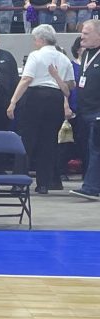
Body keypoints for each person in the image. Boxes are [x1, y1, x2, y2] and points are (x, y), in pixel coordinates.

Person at [7, 24, 74, 194]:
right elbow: (70, 85)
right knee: (48, 141)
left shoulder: (36, 55)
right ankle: (44, 183)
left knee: (26, 140)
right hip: (55, 98)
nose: (34, 42)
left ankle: (18, 182)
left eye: (35, 39)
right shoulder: (64, 58)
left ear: (42, 40)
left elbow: (26, 79)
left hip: (35, 97)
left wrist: (13, 101)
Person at [71, 20, 100, 200]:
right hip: (85, 112)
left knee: (96, 149)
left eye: (86, 34)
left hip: (98, 113)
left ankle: (90, 187)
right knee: (90, 151)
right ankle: (91, 185)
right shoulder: (87, 54)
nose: (82, 36)